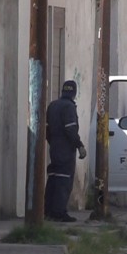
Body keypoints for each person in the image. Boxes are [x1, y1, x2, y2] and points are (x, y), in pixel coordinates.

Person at [44, 80, 87, 222]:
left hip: (54, 147)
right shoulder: (69, 107)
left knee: (53, 178)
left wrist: (53, 142)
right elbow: (70, 129)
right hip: (65, 148)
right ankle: (59, 212)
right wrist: (79, 145)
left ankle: (48, 210)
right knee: (64, 179)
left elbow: (47, 130)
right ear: (74, 93)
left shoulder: (53, 105)